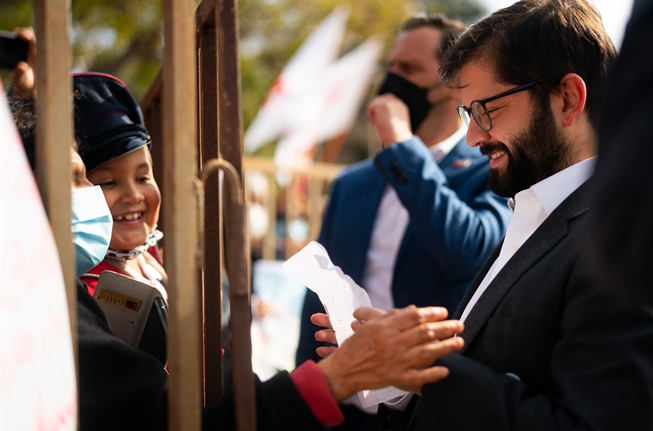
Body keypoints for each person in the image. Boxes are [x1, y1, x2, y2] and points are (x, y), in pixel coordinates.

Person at [335, 0, 650, 429]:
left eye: (488, 110)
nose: (472, 137)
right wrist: (397, 368)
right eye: (469, 112)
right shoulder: (536, 213)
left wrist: (422, 364)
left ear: (568, 99)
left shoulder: (622, 243)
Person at [297, 13, 512, 427]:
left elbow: (466, 251)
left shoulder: (489, 171)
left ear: (451, 87)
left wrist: (402, 144)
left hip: (430, 408)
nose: (393, 80)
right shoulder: (353, 183)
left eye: (409, 69)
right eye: (391, 67)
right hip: (344, 407)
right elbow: (320, 289)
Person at [74, 73, 168, 299]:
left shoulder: (148, 253)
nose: (134, 195)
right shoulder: (88, 290)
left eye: (143, 178)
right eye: (108, 183)